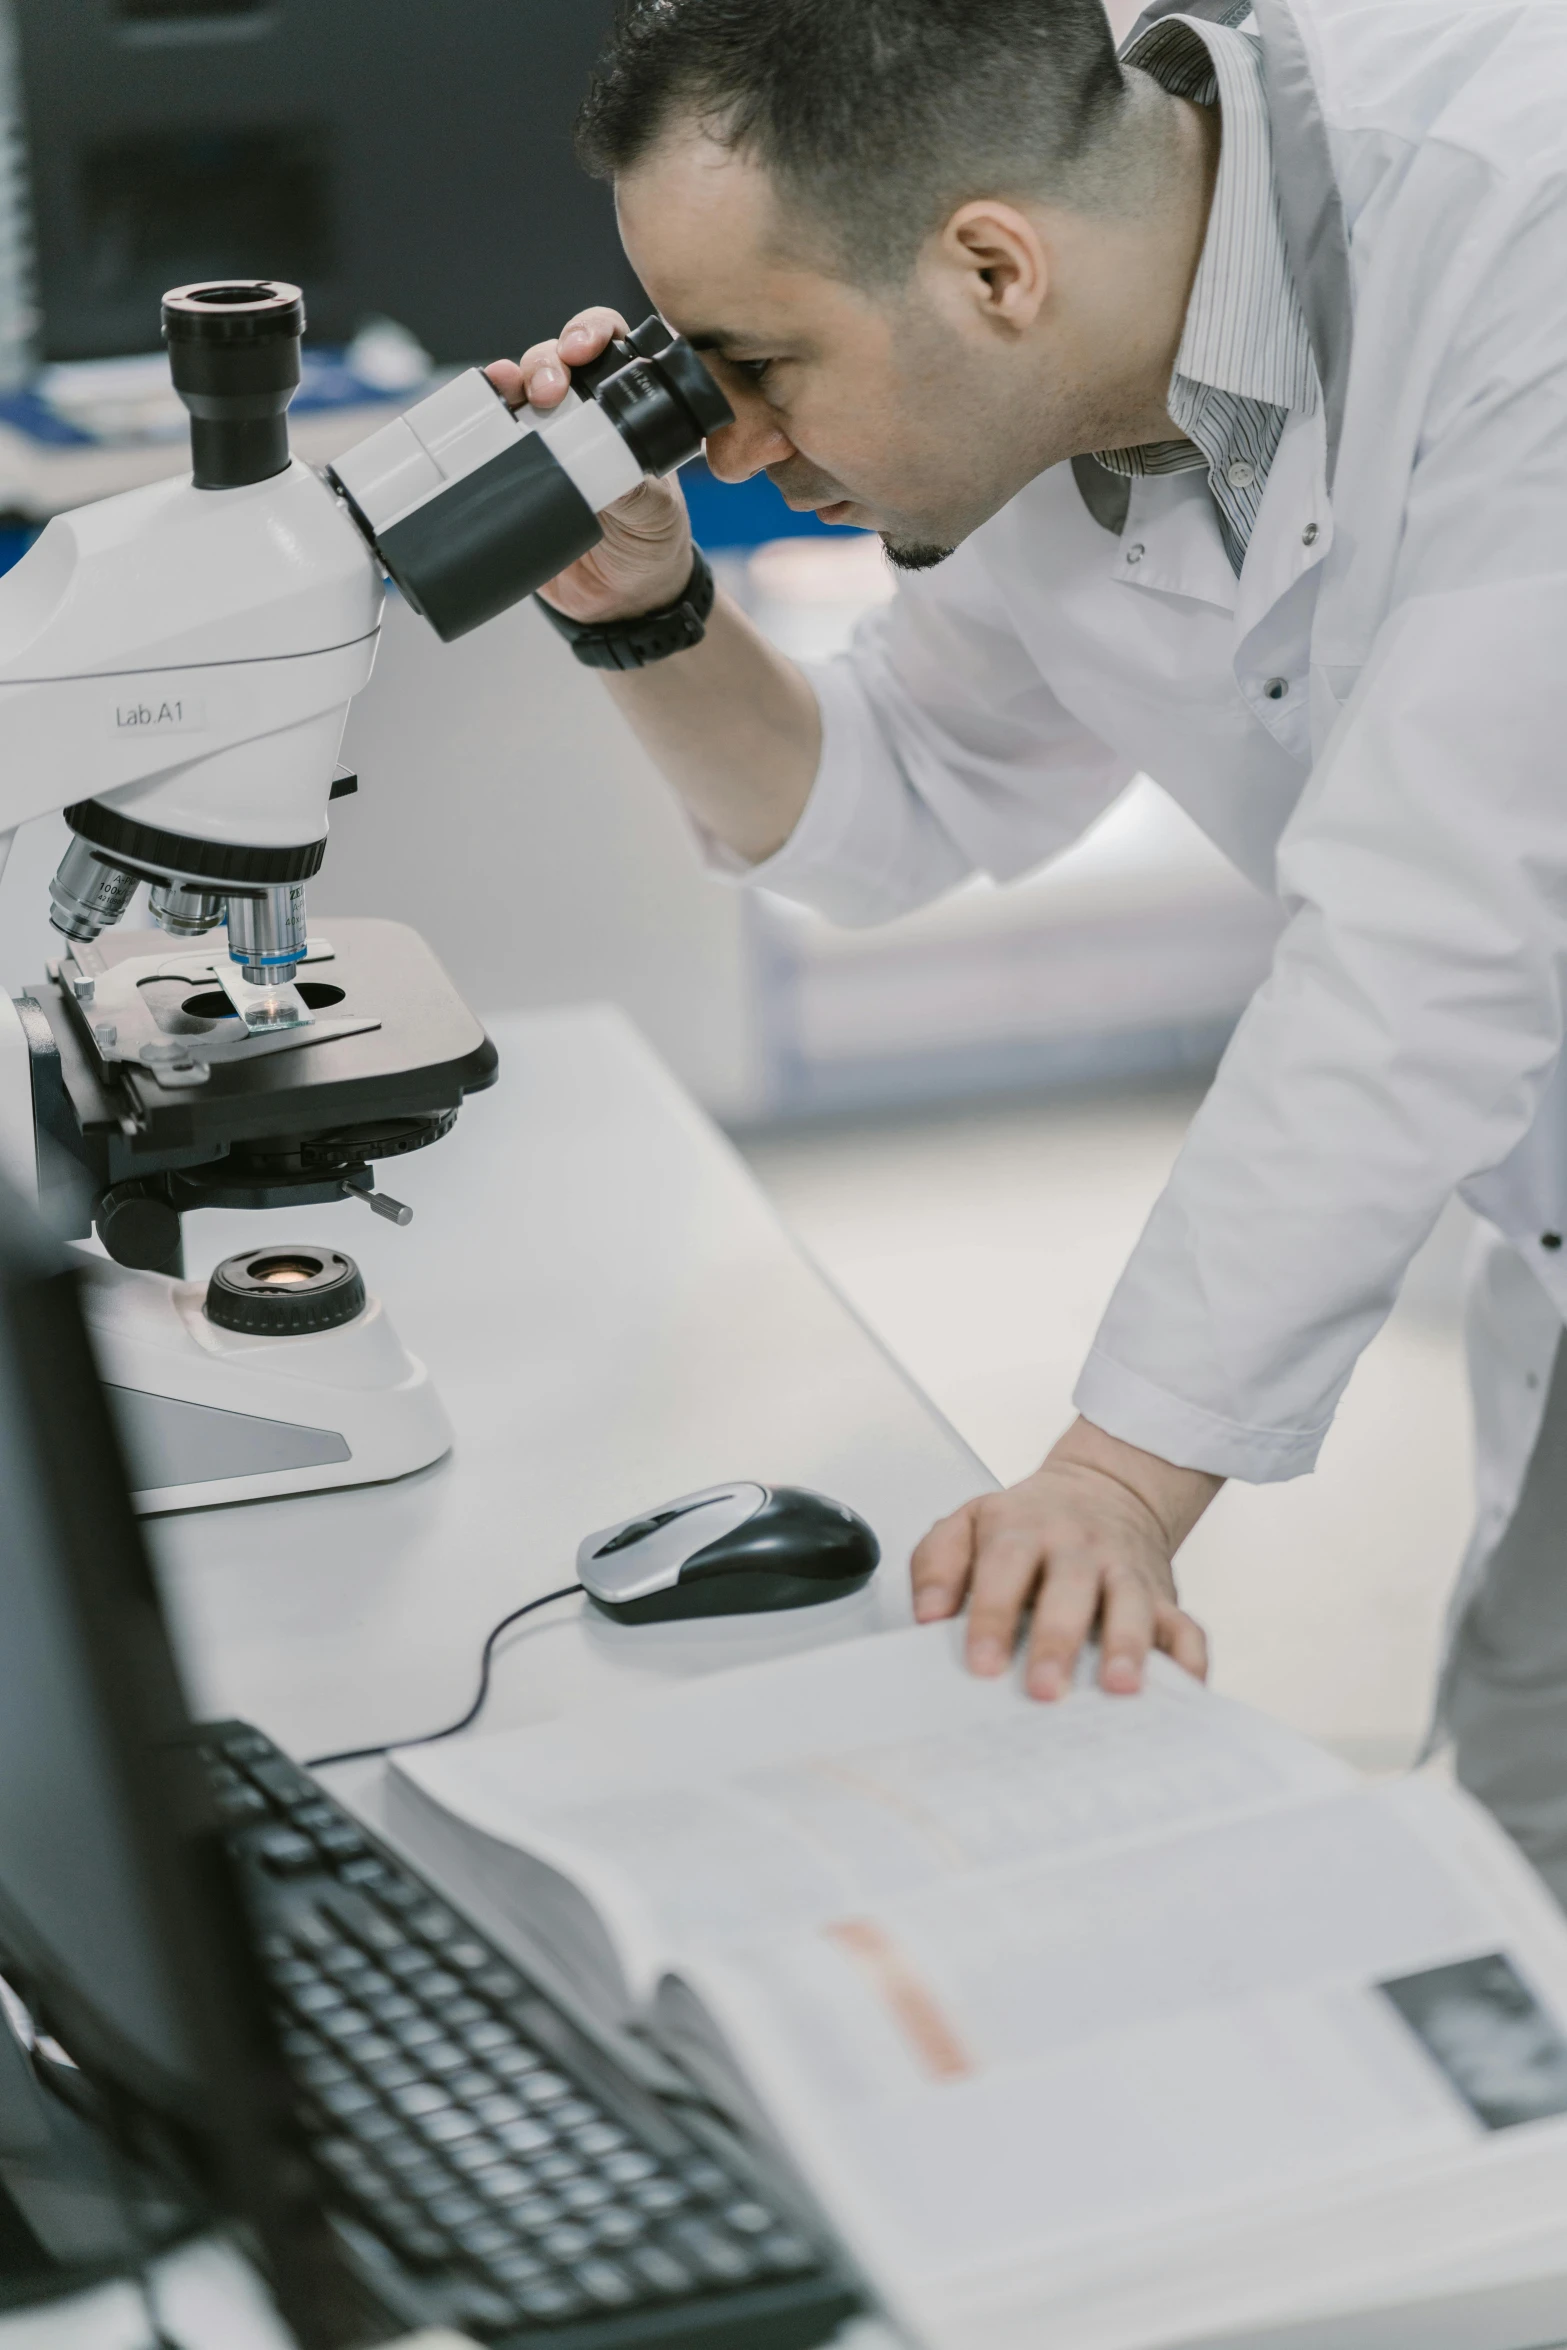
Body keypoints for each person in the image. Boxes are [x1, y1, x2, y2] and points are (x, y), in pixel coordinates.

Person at [489, 0, 1567, 1891]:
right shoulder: (1069, 344)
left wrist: (1114, 1482)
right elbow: (890, 796)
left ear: (990, 262)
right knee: (1522, 1845)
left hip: (1474, 1028)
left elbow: (1431, 927)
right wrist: (643, 607)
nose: (730, 444)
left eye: (756, 362)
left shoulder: (1520, 246)